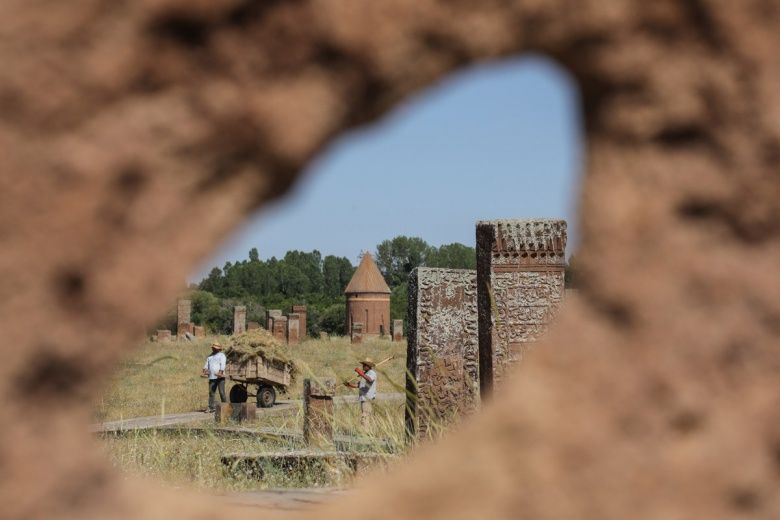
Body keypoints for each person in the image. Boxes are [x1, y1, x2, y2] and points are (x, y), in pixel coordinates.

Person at [344, 358, 377, 428]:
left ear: (368, 366)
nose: (363, 366)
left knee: (365, 415)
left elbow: (370, 379)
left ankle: (365, 432)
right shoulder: (366, 374)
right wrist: (349, 385)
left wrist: (361, 373)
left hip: (367, 398)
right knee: (366, 415)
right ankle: (367, 432)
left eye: (365, 365)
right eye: (363, 365)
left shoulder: (372, 373)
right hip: (363, 398)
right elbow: (359, 385)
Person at [201, 341, 226, 412]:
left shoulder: (222, 355)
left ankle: (225, 406)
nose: (213, 349)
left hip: (220, 377)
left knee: (222, 392)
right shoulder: (210, 356)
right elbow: (206, 364)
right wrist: (205, 370)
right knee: (211, 392)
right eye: (213, 348)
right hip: (212, 377)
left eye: (215, 348)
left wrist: (220, 372)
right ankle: (211, 407)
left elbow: (223, 364)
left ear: (218, 349)